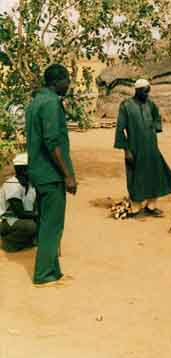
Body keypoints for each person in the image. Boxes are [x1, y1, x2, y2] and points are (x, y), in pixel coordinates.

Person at [25, 63, 77, 286]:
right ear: (57, 82)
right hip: (51, 174)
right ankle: (44, 274)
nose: (69, 85)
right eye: (67, 80)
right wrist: (68, 175)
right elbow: (52, 142)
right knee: (52, 225)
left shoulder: (35, 102)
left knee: (49, 222)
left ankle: (54, 272)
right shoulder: (51, 104)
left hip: (39, 171)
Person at [114, 79, 171, 218]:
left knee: (154, 175)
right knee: (135, 177)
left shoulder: (150, 104)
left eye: (148, 91)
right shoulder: (126, 106)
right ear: (136, 90)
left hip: (151, 147)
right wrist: (126, 150)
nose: (147, 94)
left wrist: (154, 128)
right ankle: (135, 208)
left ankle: (151, 206)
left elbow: (157, 118)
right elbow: (120, 129)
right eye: (144, 91)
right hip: (134, 148)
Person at [0, 153, 37, 252]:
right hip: (6, 222)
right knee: (30, 226)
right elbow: (19, 213)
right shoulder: (12, 185)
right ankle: (8, 243)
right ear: (24, 170)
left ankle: (24, 242)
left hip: (20, 221)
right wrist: (39, 215)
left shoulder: (31, 185)